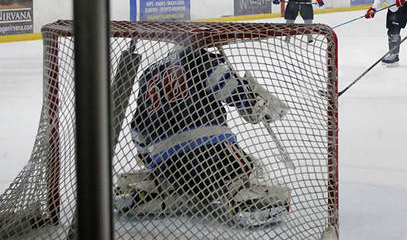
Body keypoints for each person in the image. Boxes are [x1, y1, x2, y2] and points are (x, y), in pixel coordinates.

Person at [115, 42, 291, 227]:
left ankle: (152, 192)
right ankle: (244, 200)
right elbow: (227, 85)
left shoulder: (149, 75)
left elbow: (139, 126)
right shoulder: (199, 58)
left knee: (173, 181)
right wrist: (252, 102)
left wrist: (146, 156)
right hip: (210, 145)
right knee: (242, 170)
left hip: (165, 158)